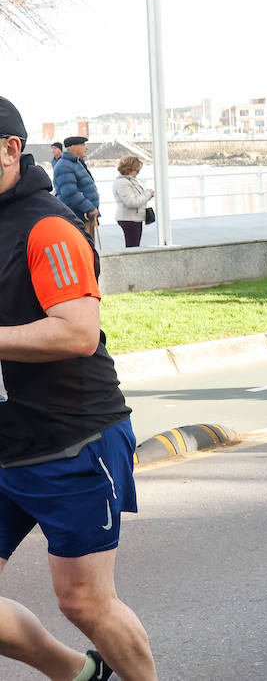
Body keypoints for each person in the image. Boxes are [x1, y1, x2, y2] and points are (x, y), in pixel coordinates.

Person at [0, 97, 158, 681]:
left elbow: (76, 332)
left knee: (84, 600)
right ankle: (76, 673)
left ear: (10, 150)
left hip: (73, 440)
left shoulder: (48, 226)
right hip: (6, 443)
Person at [52, 136, 99, 240]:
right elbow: (69, 193)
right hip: (78, 217)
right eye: (83, 145)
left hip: (84, 216)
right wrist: (89, 208)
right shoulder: (64, 166)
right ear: (73, 147)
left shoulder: (76, 163)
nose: (86, 148)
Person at [111, 156, 153, 249]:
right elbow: (132, 202)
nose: (138, 173)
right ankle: (130, 263)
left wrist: (146, 195)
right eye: (137, 170)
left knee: (134, 245)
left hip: (133, 218)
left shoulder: (128, 181)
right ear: (129, 169)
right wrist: (148, 194)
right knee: (132, 247)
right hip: (129, 219)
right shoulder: (123, 183)